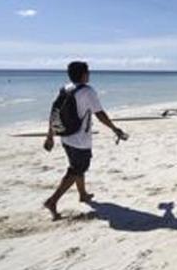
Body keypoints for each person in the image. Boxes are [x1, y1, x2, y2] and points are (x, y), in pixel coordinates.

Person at [43, 61, 128, 219]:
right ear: (83, 74)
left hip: (66, 136)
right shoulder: (88, 91)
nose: (89, 74)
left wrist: (50, 136)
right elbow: (100, 113)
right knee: (77, 169)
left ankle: (82, 195)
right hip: (80, 139)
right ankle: (52, 201)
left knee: (76, 166)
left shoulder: (65, 89)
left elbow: (54, 112)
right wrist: (115, 129)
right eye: (88, 72)